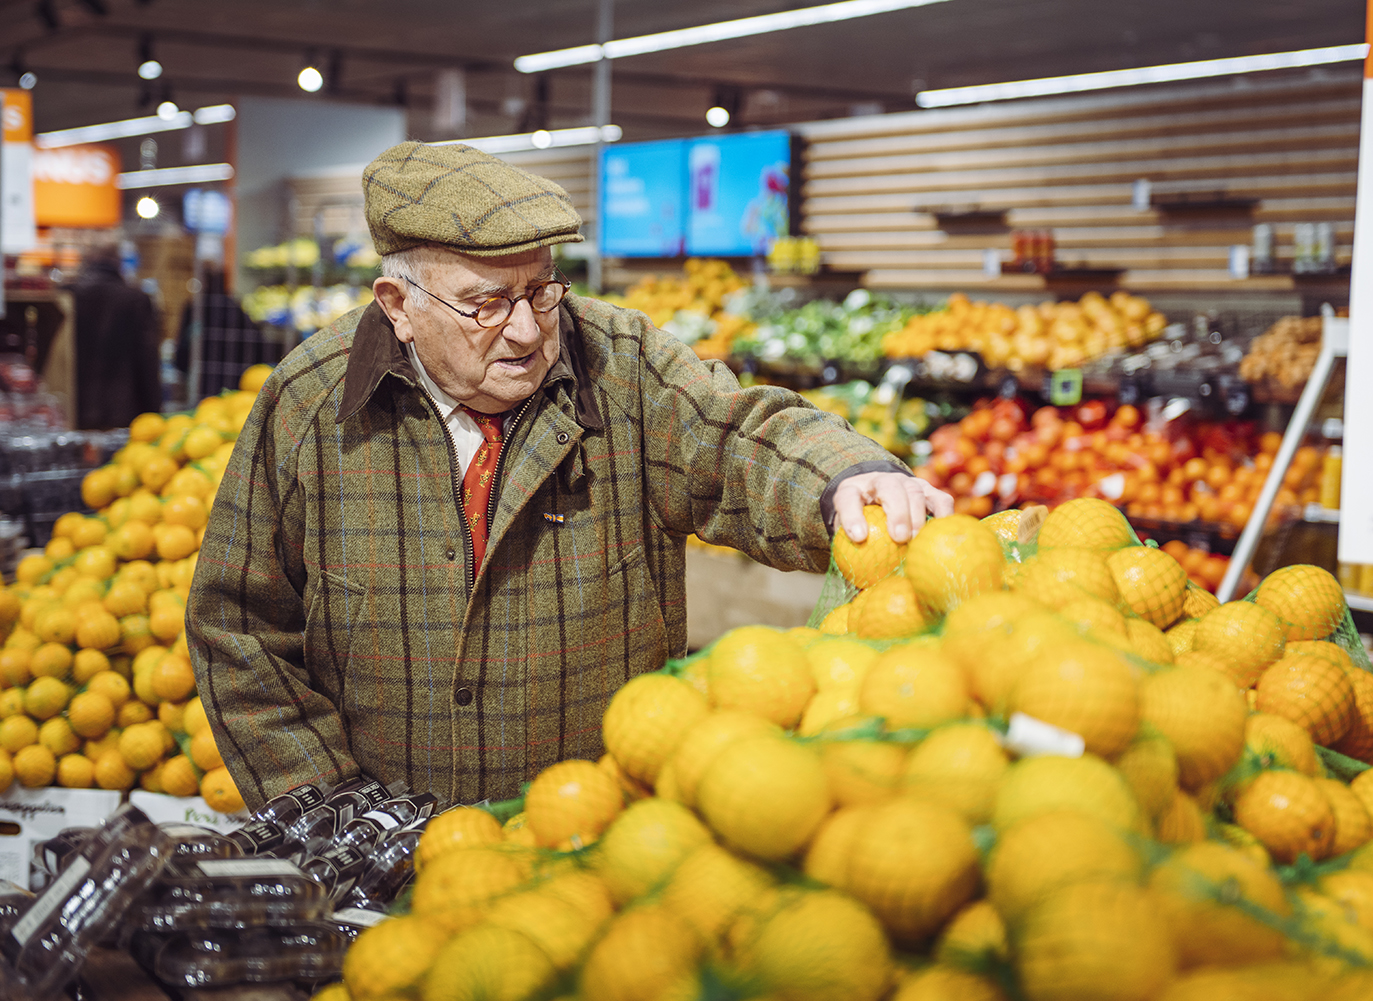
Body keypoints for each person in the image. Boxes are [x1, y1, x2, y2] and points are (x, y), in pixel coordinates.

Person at [186, 141, 950, 809]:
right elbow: (238, 625)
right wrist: (332, 814)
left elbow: (738, 434)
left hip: (594, 835)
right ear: (399, 305)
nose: (525, 330)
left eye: (540, 290)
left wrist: (845, 477)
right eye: (486, 303)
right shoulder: (311, 406)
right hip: (381, 865)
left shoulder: (622, 364)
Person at [70, 246, 162, 430]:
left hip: (76, 405)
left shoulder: (70, 296)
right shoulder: (136, 298)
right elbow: (148, 358)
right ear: (118, 262)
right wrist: (154, 409)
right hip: (125, 408)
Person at [173, 262, 283, 399]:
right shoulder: (235, 308)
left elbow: (182, 350)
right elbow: (259, 344)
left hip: (203, 382)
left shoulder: (195, 309)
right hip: (237, 383)